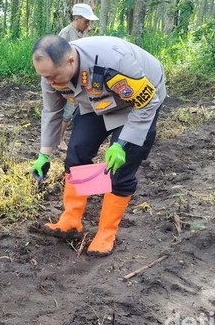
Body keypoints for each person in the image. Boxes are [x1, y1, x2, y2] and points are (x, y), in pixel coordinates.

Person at [30, 35, 166, 256]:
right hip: (96, 101)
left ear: (71, 62)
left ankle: (106, 233)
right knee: (76, 155)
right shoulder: (50, 75)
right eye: (44, 77)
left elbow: (146, 102)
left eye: (53, 77)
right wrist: (44, 155)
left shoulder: (114, 62)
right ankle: (71, 219)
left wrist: (122, 144)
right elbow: (52, 112)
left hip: (139, 103)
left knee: (121, 168)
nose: (49, 83)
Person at [56, 3, 99, 151]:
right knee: (66, 111)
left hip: (82, 79)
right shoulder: (66, 33)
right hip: (67, 81)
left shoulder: (84, 35)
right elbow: (57, 58)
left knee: (78, 110)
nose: (88, 24)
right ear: (77, 18)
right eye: (86, 21)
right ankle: (60, 140)